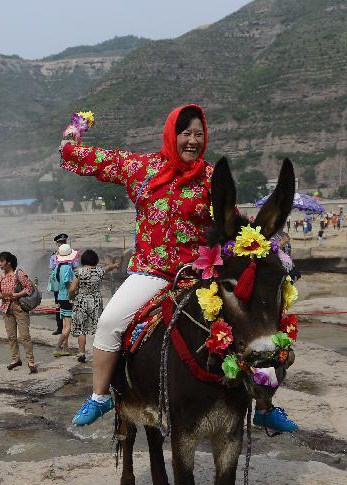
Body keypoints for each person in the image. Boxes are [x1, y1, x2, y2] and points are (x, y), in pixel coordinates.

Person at [59, 104, 298, 433]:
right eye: (186, 133)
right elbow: (78, 155)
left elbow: (234, 224)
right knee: (109, 323)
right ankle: (101, 395)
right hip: (151, 274)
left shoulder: (212, 177)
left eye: (199, 135)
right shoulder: (142, 168)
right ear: (172, 135)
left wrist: (266, 246)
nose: (193, 141)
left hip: (198, 275)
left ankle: (264, 405)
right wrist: (75, 128)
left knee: (255, 326)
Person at [70, 251, 120, 363]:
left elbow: (72, 289)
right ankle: (100, 353)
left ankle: (82, 354)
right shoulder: (99, 270)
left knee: (82, 329)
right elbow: (108, 268)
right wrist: (115, 265)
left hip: (81, 301)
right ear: (95, 260)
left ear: (83, 260)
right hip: (96, 301)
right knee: (98, 328)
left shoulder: (79, 271)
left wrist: (71, 298)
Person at [0, 251, 36, 374]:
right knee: (11, 336)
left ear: (9, 262)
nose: (0, 264)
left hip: (20, 308)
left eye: (2, 261)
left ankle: (30, 361)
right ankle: (15, 359)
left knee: (24, 336)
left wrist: (17, 294)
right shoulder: (0, 276)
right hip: (6, 308)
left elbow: (29, 288)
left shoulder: (19, 274)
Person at [51, 244, 77, 357]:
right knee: (68, 326)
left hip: (61, 296)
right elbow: (67, 282)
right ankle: (58, 348)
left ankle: (66, 348)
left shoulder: (58, 267)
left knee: (65, 323)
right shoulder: (67, 268)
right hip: (67, 297)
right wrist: (72, 294)